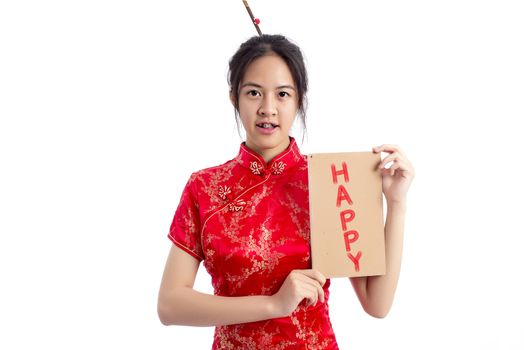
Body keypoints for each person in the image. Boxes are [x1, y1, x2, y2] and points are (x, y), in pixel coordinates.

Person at [157, 33, 415, 349]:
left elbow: (378, 304)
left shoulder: (330, 180)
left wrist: (397, 202)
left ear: (299, 99)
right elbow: (170, 304)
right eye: (254, 93)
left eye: (282, 94)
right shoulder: (205, 187)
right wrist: (274, 304)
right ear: (233, 98)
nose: (268, 108)